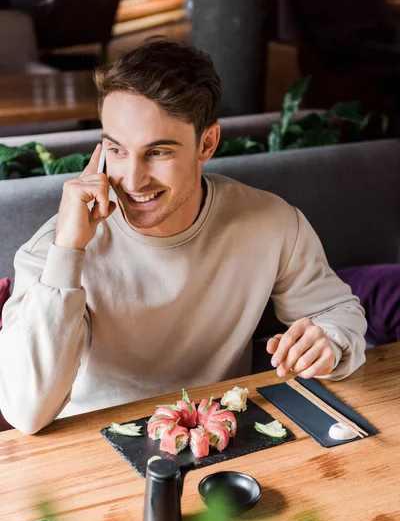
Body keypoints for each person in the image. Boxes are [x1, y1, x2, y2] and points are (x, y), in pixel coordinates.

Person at [0, 37, 367, 434]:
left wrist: (327, 341)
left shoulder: (273, 223)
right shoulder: (53, 249)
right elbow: (25, 412)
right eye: (117, 150)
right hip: (93, 448)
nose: (132, 179)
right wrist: (68, 251)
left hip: (222, 439)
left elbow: (336, 312)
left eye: (158, 152)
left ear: (206, 143)